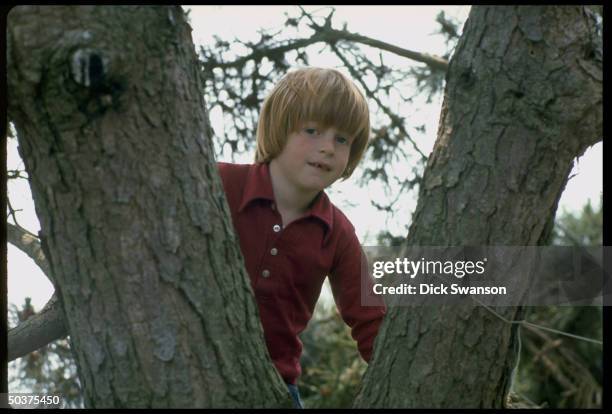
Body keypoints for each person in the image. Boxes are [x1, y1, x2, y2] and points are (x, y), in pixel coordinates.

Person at [217, 67, 386, 408]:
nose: (327, 148)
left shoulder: (337, 232)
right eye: (312, 130)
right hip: (191, 368)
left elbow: (371, 322)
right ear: (280, 129)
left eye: (342, 139)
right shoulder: (220, 184)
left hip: (276, 389)